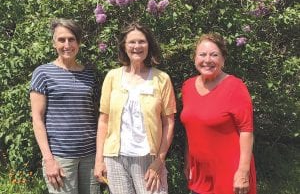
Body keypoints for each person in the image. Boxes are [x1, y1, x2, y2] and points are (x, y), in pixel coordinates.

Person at [94, 22, 176, 194]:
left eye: (142, 42)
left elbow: (168, 122)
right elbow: (103, 121)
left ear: (149, 45)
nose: (137, 46)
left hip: (149, 158)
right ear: (124, 46)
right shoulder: (112, 77)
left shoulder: (162, 79)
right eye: (132, 42)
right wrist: (99, 160)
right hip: (114, 158)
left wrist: (159, 160)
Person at [30, 18, 101, 194]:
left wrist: (100, 156)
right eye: (61, 40)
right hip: (60, 158)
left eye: (71, 39)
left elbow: (98, 117)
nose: (67, 44)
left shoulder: (89, 74)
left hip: (90, 157)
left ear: (78, 43)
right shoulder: (43, 73)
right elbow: (37, 120)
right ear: (54, 43)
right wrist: (49, 160)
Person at [180, 33, 256, 194]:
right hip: (200, 173)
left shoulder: (235, 87)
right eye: (202, 54)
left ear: (223, 60)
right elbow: (192, 127)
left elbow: (246, 131)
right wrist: (188, 160)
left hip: (230, 172)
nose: (207, 60)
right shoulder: (187, 86)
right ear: (195, 58)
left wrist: (243, 172)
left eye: (214, 55)